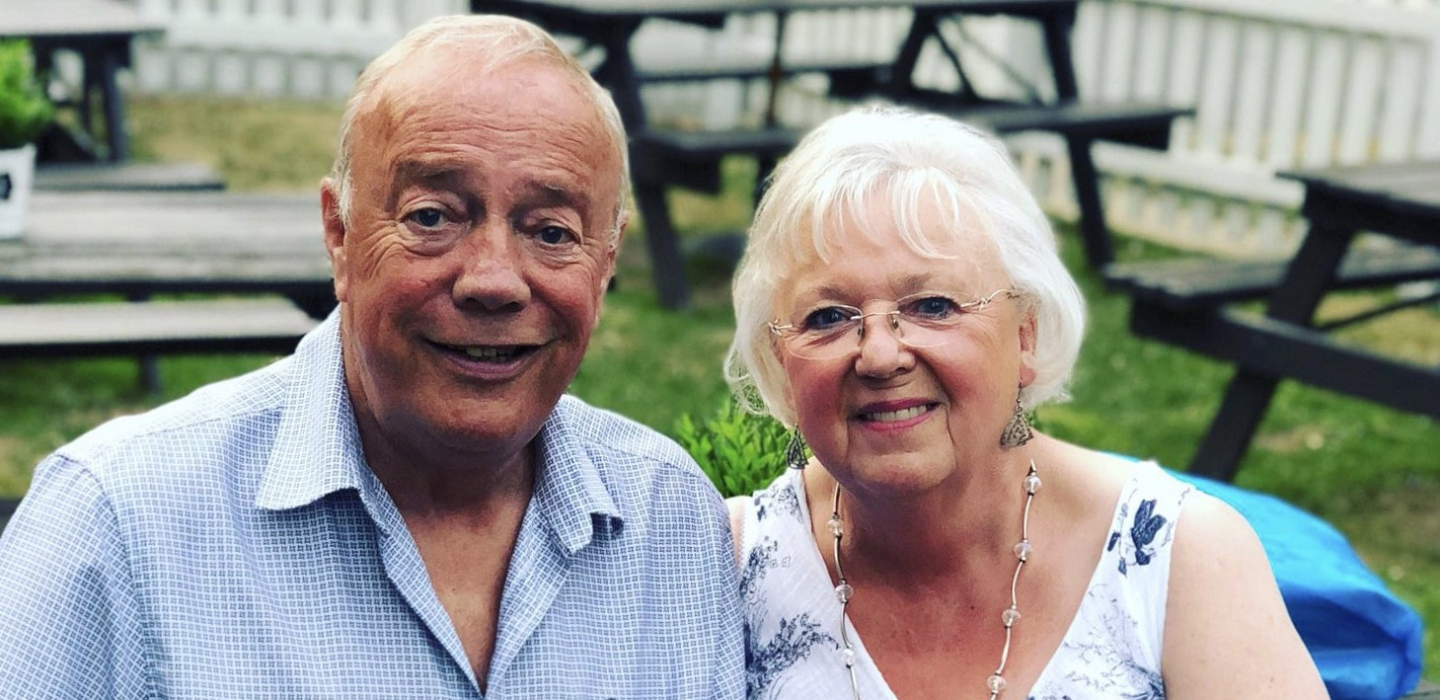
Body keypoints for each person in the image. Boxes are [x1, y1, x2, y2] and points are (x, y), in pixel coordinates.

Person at [0, 15, 744, 698]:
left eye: (550, 231)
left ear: (607, 259)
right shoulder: (117, 526)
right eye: (432, 217)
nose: (492, 280)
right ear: (338, 234)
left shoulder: (668, 525)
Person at [723, 105, 1327, 699]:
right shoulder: (728, 564)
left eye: (932, 306)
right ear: (779, 360)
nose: (881, 356)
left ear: (1025, 334)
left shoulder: (1178, 560)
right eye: (828, 317)